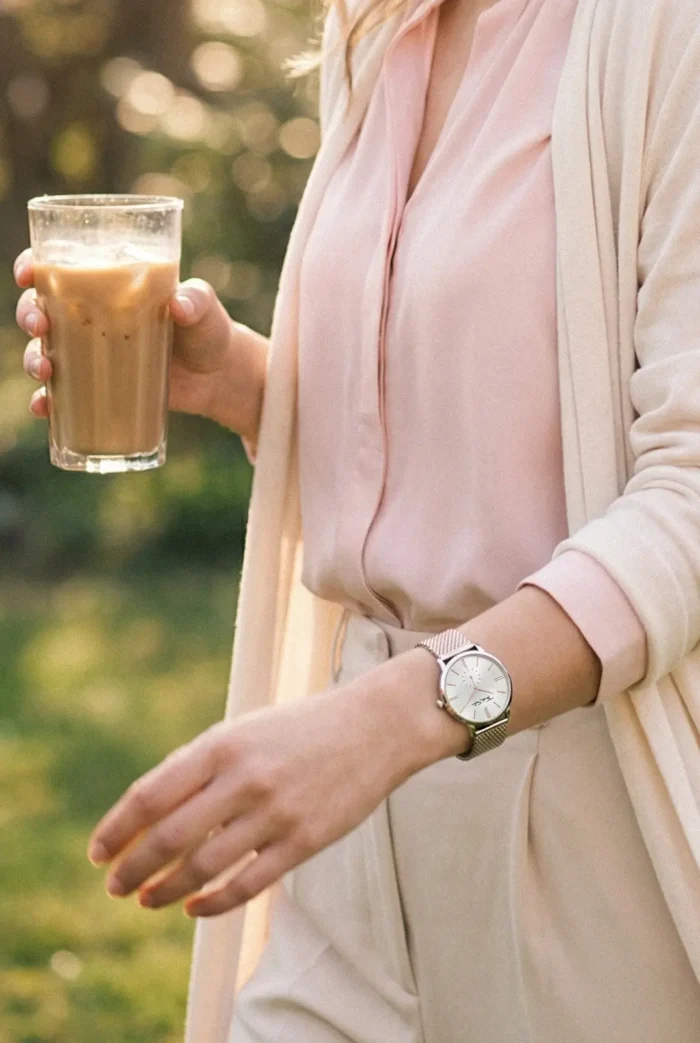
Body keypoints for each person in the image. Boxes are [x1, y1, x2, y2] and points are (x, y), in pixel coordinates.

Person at [15, 0, 700, 1039]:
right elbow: (465, 434)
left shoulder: (666, 35)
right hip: (351, 822)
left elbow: (687, 499)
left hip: (585, 823)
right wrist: (253, 385)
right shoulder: (380, 30)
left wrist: (395, 717)